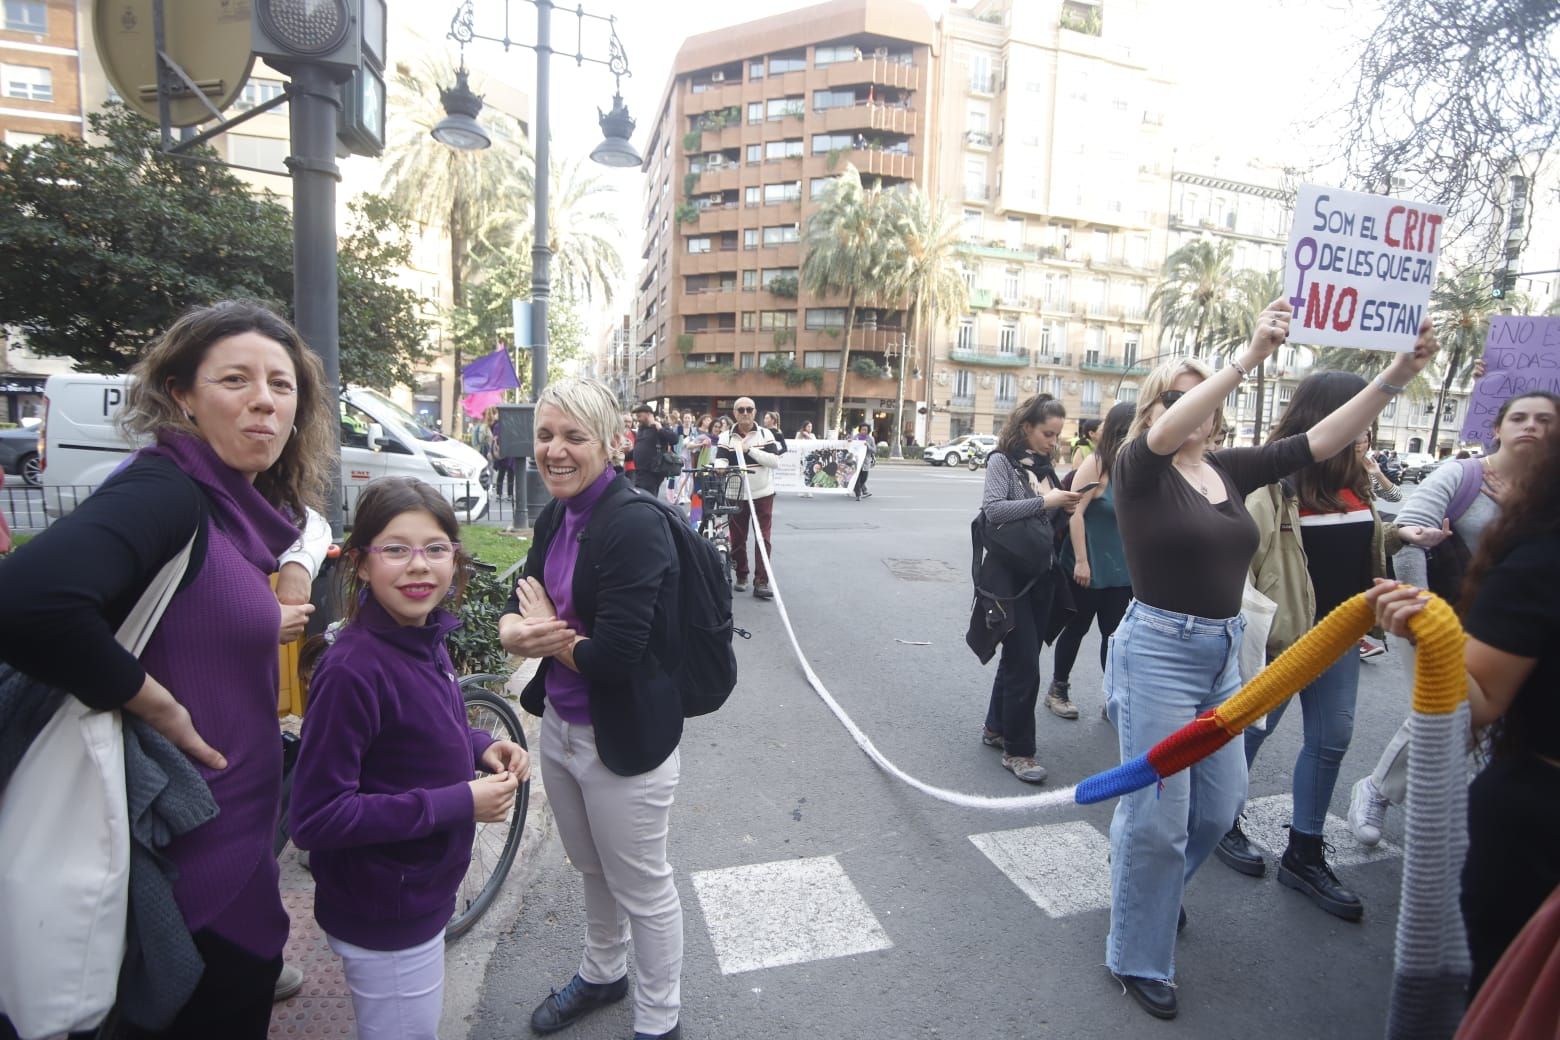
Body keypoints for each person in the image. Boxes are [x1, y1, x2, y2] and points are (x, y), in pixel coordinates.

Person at [0, 300, 335, 1038]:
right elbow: (25, 602)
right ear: (181, 394)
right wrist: (156, 703)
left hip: (237, 835)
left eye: (283, 387)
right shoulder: (164, 491)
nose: (264, 402)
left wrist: (284, 588)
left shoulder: (236, 502)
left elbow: (298, 536)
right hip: (184, 858)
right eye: (236, 380)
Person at [1102, 302, 1436, 1021]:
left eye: (1205, 395)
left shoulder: (1226, 468)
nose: (1201, 406)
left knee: (1217, 809)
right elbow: (1163, 429)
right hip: (1159, 648)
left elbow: (1317, 441)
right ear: (1159, 409)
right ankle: (1136, 952)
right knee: (1159, 818)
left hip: (1226, 653)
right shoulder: (1138, 469)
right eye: (1179, 393)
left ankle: (1146, 886)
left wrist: (1399, 374)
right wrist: (1245, 359)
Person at [289, 478, 529, 1039]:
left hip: (414, 890)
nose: (419, 567)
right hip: (385, 910)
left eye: (436, 549)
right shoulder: (353, 669)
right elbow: (315, 817)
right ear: (361, 564)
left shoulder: (420, 634)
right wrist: (460, 802)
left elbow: (419, 731)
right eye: (396, 549)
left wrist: (478, 744)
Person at [498, 378, 685, 1040]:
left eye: (574, 436)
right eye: (546, 435)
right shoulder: (555, 515)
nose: (555, 450)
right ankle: (604, 972)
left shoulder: (633, 524)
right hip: (561, 727)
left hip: (625, 738)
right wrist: (521, 632)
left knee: (642, 886)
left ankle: (660, 1021)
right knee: (591, 867)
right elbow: (517, 609)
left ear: (610, 443)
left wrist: (543, 632)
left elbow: (616, 661)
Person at [1365, 433, 1560, 999]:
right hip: (1536, 826)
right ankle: (1377, 788)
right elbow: (1477, 702)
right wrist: (1429, 631)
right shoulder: (1540, 560)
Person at [1213, 373, 1399, 923]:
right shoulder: (1274, 480)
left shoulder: (1357, 479)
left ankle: (1304, 852)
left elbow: (1358, 544)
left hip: (1341, 636)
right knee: (1252, 731)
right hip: (1284, 640)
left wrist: (1400, 539)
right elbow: (1245, 563)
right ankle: (1222, 820)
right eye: (1361, 409)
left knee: (1332, 740)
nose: (1368, 422)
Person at [1346, 389, 1559, 846]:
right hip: (1437, 618)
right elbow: (1408, 530)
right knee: (1447, 712)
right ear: (1497, 428)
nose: (1531, 426)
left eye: (1544, 420)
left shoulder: (1549, 495)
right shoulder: (1462, 475)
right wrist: (1423, 618)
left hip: (1516, 632)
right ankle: (1378, 791)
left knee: (1479, 723)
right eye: (1519, 417)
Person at [972, 394, 1082, 783]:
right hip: (1008, 582)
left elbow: (1044, 527)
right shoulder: (1002, 462)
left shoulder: (1046, 467)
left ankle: (995, 727)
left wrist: (1061, 507)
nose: (1053, 442)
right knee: (1025, 667)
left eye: (1057, 435)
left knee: (1019, 659)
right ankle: (1020, 752)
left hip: (1040, 578)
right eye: (1047, 434)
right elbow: (993, 510)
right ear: (1026, 428)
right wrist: (1045, 501)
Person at [1046, 401, 1134, 720]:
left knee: (1114, 637)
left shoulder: (1134, 467)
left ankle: (1112, 698)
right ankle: (1058, 689)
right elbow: (1075, 513)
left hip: (1121, 571)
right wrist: (1081, 562)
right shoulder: (1097, 464)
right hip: (1087, 566)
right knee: (1076, 628)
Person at [717, 397, 781, 600]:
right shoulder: (726, 436)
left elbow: (774, 461)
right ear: (735, 413)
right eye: (741, 409)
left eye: (749, 409)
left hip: (762, 493)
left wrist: (749, 450)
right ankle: (742, 575)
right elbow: (721, 458)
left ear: (755, 412)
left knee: (763, 539)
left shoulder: (766, 434)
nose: (745, 413)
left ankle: (761, 581)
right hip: (736, 494)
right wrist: (719, 465)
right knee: (737, 539)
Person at [630, 403, 678, 495]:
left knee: (647, 498)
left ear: (648, 414)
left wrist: (660, 429)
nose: (637, 418)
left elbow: (674, 439)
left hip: (652, 471)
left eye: (640, 415)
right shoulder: (641, 429)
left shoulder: (660, 427)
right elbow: (639, 449)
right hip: (639, 471)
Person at [851, 422, 875, 499]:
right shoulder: (855, 437)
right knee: (856, 478)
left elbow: (874, 450)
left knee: (864, 478)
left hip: (865, 462)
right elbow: (851, 447)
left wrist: (868, 446)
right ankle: (858, 494)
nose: (864, 431)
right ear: (860, 430)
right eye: (862, 430)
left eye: (865, 430)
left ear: (868, 431)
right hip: (857, 462)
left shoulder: (870, 439)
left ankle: (859, 489)